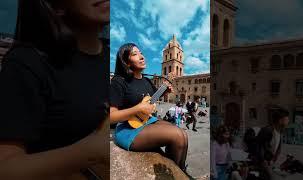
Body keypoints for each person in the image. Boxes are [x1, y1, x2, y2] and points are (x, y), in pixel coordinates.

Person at [0, 0, 109, 179]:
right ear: (57, 6)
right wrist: (91, 151)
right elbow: (4, 167)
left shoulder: (108, 57)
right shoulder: (26, 63)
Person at [109, 43, 188, 171]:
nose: (141, 56)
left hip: (146, 120)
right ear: (127, 62)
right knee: (177, 135)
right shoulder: (119, 81)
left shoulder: (147, 81)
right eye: (135, 54)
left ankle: (179, 170)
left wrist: (165, 92)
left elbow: (150, 101)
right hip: (128, 128)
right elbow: (111, 116)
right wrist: (138, 109)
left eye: (141, 53)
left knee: (183, 135)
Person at [255, 107, 289, 180]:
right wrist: (263, 162)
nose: (288, 121)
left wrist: (273, 161)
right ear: (280, 120)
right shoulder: (267, 131)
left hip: (270, 164)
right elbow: (258, 147)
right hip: (261, 165)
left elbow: (277, 150)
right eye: (286, 119)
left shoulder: (280, 131)